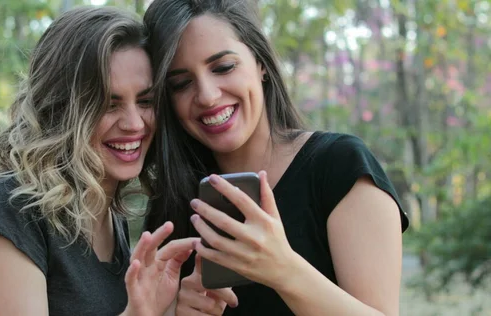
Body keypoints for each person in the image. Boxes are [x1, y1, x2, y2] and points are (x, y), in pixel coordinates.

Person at [143, 0, 410, 315]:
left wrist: (283, 270)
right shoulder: (174, 204)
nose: (207, 95)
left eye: (223, 67)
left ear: (261, 64)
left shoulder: (339, 168)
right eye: (181, 83)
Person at [0, 6, 196, 316]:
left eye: (146, 101)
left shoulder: (107, 214)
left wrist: (175, 310)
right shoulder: (12, 212)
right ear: (61, 109)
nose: (135, 123)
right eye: (109, 103)